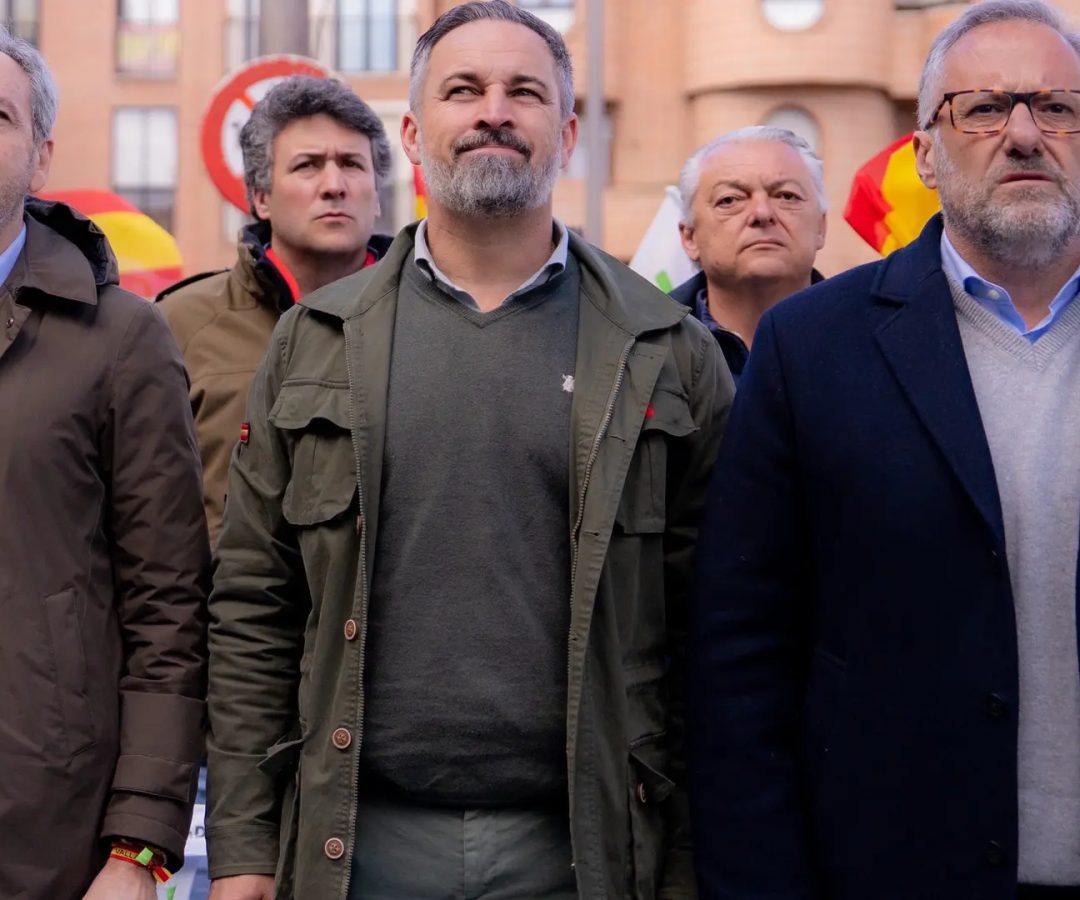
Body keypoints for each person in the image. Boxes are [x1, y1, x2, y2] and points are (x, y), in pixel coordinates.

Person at [204, 2, 730, 898]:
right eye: (463, 90)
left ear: (565, 131)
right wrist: (246, 853)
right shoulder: (313, 342)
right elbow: (256, 603)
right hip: (355, 843)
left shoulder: (670, 351)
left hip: (589, 849)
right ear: (412, 133)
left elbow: (708, 634)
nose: (494, 110)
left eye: (524, 92)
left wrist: (687, 860)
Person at [690, 1, 1080, 898]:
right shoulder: (813, 346)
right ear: (928, 153)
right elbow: (742, 655)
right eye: (982, 108)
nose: (1023, 133)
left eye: (1057, 107)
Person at [0, 27, 208, 900]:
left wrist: (138, 849)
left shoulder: (121, 338)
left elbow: (170, 607)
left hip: (50, 836)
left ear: (40, 154)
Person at [157, 75, 393, 546]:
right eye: (307, 166)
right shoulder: (178, 325)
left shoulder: (422, 319)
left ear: (378, 195)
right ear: (260, 197)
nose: (334, 185)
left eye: (351, 164)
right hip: (222, 614)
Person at [670, 126, 827, 384]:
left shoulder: (871, 340)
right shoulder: (641, 350)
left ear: (821, 227)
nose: (762, 213)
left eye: (787, 196)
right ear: (689, 236)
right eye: (730, 200)